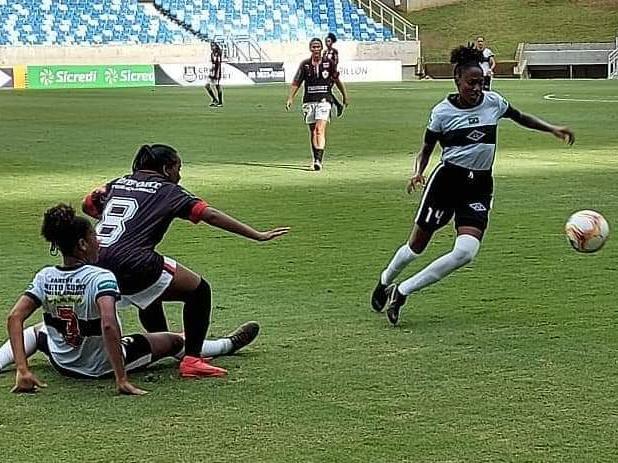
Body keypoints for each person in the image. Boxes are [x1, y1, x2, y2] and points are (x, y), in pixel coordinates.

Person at [370, 44, 574, 326]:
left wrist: (552, 128)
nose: (478, 88)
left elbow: (520, 117)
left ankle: (402, 292)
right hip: (447, 182)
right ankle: (384, 281)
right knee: (416, 246)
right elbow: (427, 147)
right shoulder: (442, 113)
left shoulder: (494, 103)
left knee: (466, 251)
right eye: (471, 82)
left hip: (479, 185)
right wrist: (418, 172)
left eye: (481, 82)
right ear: (457, 79)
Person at [81, 144, 289, 376]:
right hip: (134, 260)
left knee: (148, 295)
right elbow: (208, 214)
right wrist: (256, 234)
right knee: (198, 290)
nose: (179, 175)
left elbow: (87, 204)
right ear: (166, 168)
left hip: (94, 262)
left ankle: (167, 345)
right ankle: (192, 359)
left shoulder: (118, 182)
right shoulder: (169, 191)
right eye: (178, 168)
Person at [2, 204, 185, 395]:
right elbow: (108, 325)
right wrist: (121, 378)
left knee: (39, 329)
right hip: (97, 367)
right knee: (174, 341)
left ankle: (6, 364)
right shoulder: (101, 277)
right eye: (95, 236)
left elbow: (15, 317)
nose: (98, 242)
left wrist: (23, 369)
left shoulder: (44, 276)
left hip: (61, 361)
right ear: (82, 244)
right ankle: (217, 345)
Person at [286, 37, 348, 171]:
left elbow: (337, 80)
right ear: (310, 49)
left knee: (320, 129)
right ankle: (315, 158)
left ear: (321, 48)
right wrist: (291, 98)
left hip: (324, 100)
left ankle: (318, 161)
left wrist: (344, 95)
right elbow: (297, 82)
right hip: (309, 101)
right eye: (313, 47)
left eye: (318, 47)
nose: (315, 49)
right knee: (313, 131)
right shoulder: (305, 65)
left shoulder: (329, 63)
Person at [323, 32, 345, 117]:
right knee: (327, 91)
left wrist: (332, 71)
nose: (327, 43)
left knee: (327, 90)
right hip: (325, 74)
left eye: (328, 41)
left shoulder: (334, 51)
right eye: (326, 41)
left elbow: (336, 62)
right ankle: (336, 105)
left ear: (332, 42)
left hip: (331, 74)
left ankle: (334, 106)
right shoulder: (324, 52)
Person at [205, 42, 223, 107]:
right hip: (212, 71)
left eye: (213, 46)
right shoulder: (212, 54)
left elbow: (218, 64)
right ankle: (214, 99)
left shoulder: (219, 53)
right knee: (207, 86)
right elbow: (212, 63)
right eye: (211, 46)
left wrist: (217, 73)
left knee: (217, 86)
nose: (212, 47)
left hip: (217, 72)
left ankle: (220, 102)